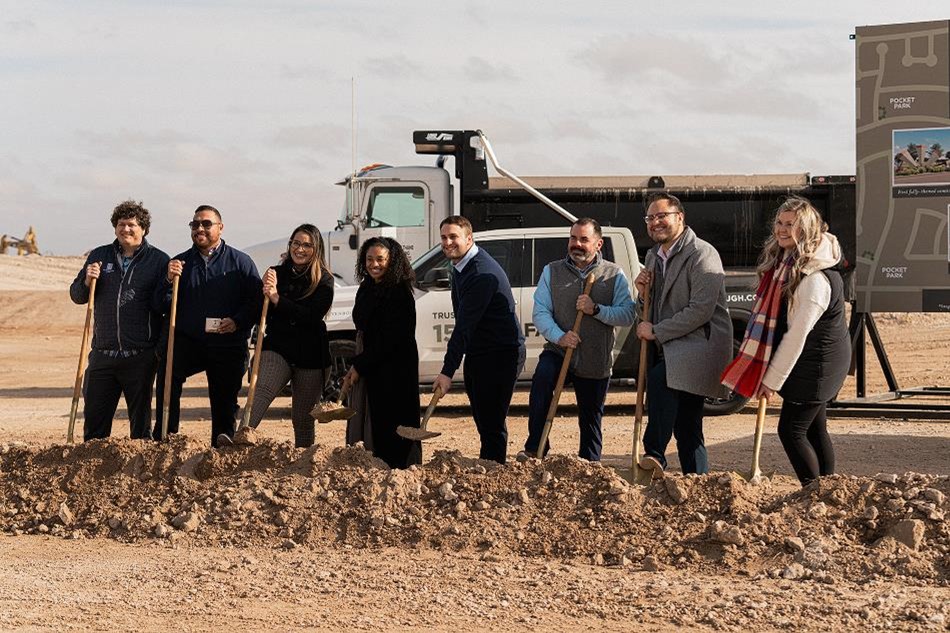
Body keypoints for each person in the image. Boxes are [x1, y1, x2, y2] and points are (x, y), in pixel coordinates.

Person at [722, 196, 850, 486]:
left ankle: (812, 491)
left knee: (791, 429)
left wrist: (772, 380)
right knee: (814, 428)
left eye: (790, 224)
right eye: (779, 222)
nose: (781, 229)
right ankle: (827, 491)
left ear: (805, 229)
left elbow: (797, 335)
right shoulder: (787, 263)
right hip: (809, 357)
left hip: (817, 362)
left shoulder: (814, 278)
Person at [634, 193, 733, 477]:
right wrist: (642, 296)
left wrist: (656, 331)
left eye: (662, 216)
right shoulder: (653, 257)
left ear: (680, 217)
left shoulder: (702, 253)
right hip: (672, 346)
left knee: (660, 379)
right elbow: (649, 307)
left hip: (699, 344)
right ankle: (698, 481)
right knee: (688, 427)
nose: (655, 222)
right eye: (650, 218)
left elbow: (700, 310)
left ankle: (654, 452)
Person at [521, 218, 635, 461]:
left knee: (591, 416)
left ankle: (590, 465)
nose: (577, 244)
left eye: (584, 239)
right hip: (559, 351)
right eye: (573, 238)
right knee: (541, 385)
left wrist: (596, 310)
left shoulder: (613, 274)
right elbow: (540, 312)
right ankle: (535, 448)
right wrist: (560, 336)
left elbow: (627, 315)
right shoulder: (552, 271)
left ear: (598, 243)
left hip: (595, 357)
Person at [153, 205, 261, 447]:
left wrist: (237, 321)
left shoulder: (240, 262)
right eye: (194, 224)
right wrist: (168, 280)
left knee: (224, 399)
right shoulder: (179, 264)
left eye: (206, 224)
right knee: (168, 375)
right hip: (187, 341)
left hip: (227, 342)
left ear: (220, 228)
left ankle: (222, 445)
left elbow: (255, 302)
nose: (199, 228)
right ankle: (166, 438)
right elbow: (159, 303)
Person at [68, 200, 169, 441]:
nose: (126, 229)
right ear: (115, 227)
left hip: (140, 356)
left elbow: (164, 306)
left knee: (140, 428)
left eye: (132, 225)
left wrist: (157, 351)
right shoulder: (99, 255)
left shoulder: (158, 260)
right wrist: (86, 280)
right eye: (121, 224)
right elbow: (77, 296)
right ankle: (91, 473)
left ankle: (138, 474)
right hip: (103, 354)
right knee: (94, 424)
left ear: (143, 228)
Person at [432, 216, 525, 464]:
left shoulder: (481, 273)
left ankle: (494, 473)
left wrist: (447, 371)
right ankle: (490, 468)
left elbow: (463, 326)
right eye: (444, 237)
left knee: (492, 422)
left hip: (501, 354)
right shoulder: (461, 265)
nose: (448, 242)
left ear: (469, 238)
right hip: (480, 350)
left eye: (454, 237)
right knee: (483, 419)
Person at [239, 224, 334, 448]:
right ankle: (240, 440)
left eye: (307, 245)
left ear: (316, 249)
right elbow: (257, 309)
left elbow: (311, 316)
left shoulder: (324, 280)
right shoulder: (276, 274)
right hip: (278, 347)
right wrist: (263, 290)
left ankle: (304, 462)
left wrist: (277, 299)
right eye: (296, 243)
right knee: (261, 391)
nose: (300, 249)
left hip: (311, 355)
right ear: (289, 244)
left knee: (302, 419)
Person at [343, 237, 422, 469]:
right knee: (372, 419)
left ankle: (400, 472)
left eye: (380, 259)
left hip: (395, 369)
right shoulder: (367, 287)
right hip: (372, 364)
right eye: (369, 259)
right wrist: (360, 363)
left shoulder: (399, 293)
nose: (374, 264)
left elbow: (391, 339)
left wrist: (359, 365)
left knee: (394, 422)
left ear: (392, 261)